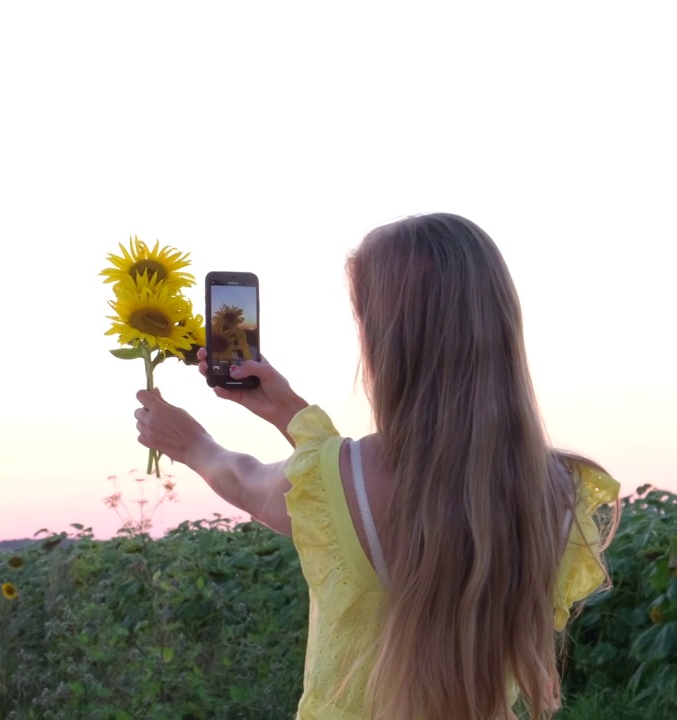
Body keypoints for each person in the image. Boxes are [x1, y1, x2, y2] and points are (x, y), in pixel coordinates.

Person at [133, 213, 620, 720]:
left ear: (390, 340)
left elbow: (246, 481)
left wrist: (191, 443)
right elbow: (382, 482)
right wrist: (289, 413)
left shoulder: (340, 477)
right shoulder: (562, 491)